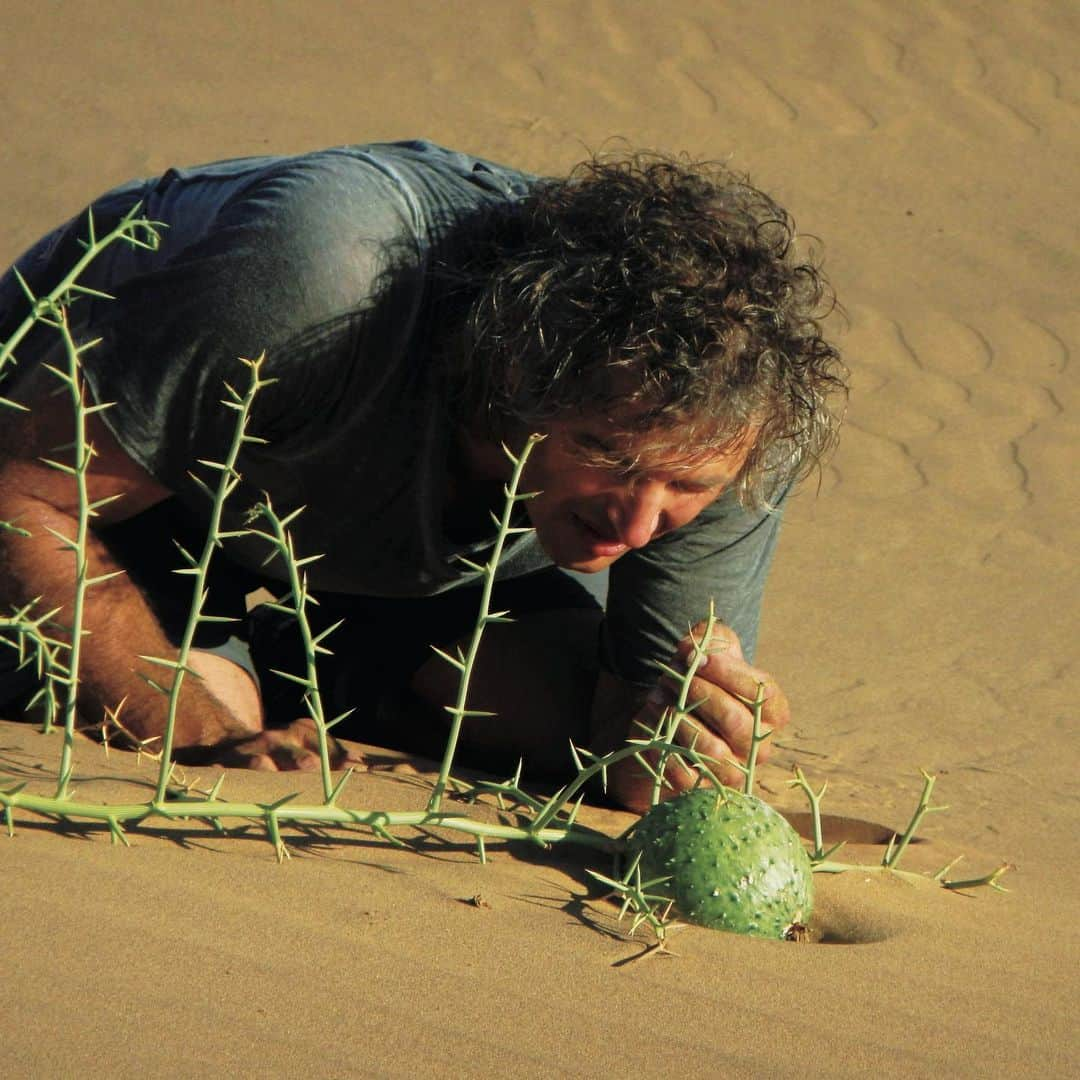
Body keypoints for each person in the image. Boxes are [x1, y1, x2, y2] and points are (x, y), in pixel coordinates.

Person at [0, 140, 846, 811]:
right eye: (610, 456)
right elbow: (21, 494)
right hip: (138, 494)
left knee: (559, 731)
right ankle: (234, 670)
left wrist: (683, 743)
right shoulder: (319, 279)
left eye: (683, 488)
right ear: (520, 376)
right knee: (210, 737)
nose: (637, 526)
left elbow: (626, 747)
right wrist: (190, 733)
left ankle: (314, 663)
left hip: (395, 551)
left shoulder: (736, 435)